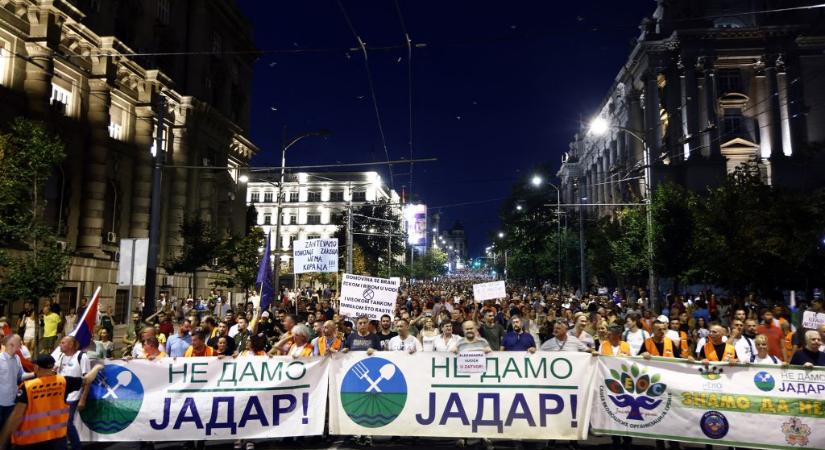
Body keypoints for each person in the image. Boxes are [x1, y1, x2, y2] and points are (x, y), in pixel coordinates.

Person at [0, 355, 103, 450]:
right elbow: (87, 379)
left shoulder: (27, 387)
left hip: (31, 442)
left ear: (36, 367)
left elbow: (16, 416)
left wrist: (3, 441)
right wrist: (97, 367)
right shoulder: (64, 382)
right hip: (57, 439)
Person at [51, 336, 90, 450]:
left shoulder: (82, 357)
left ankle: (76, 446)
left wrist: (83, 399)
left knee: (67, 423)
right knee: (60, 423)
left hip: (74, 395)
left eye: (63, 343)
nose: (60, 345)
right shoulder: (61, 356)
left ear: (71, 345)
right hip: (60, 394)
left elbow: (87, 380)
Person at [1, 335, 25, 429]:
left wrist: (37, 373)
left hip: (12, 402)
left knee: (8, 429)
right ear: (11, 345)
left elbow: (21, 376)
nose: (21, 344)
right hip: (1, 403)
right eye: (19, 342)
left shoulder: (17, 358)